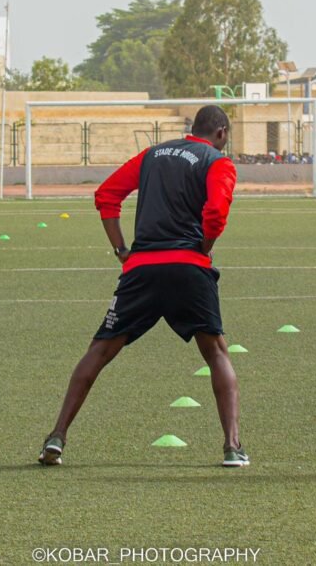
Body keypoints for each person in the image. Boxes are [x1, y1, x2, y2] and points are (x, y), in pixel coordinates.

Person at [38, 105, 249, 468]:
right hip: (189, 268)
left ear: (192, 128)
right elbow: (216, 212)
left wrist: (121, 249)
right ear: (222, 134)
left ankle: (57, 436)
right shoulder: (217, 162)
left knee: (99, 351)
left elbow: (106, 194)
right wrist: (204, 247)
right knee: (216, 353)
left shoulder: (152, 154)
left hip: (142, 270)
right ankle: (232, 447)